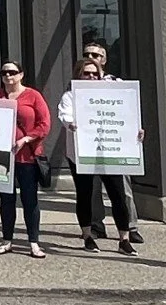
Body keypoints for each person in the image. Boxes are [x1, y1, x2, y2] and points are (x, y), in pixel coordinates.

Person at [58, 58, 139, 256]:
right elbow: (64, 116)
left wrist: (136, 131)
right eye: (87, 73)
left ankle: (124, 240)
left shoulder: (111, 94)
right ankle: (87, 236)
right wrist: (72, 124)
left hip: (109, 152)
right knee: (85, 195)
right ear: (78, 75)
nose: (91, 77)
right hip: (82, 154)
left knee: (118, 195)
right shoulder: (70, 96)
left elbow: (125, 116)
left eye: (95, 73)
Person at [80, 41, 143, 244]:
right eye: (87, 54)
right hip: (90, 145)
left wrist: (137, 130)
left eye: (96, 55)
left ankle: (130, 227)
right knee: (93, 190)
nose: (91, 57)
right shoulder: (78, 86)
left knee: (122, 189)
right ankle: (96, 226)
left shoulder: (117, 83)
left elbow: (129, 111)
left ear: (104, 60)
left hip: (115, 144)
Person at [0, 59, 49, 258]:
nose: (8, 76)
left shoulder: (33, 96)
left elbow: (45, 124)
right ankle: (6, 240)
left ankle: (33, 242)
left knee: (30, 200)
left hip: (27, 158)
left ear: (21, 74)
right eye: (4, 73)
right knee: (6, 200)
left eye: (12, 72)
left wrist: (26, 139)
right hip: (3, 158)